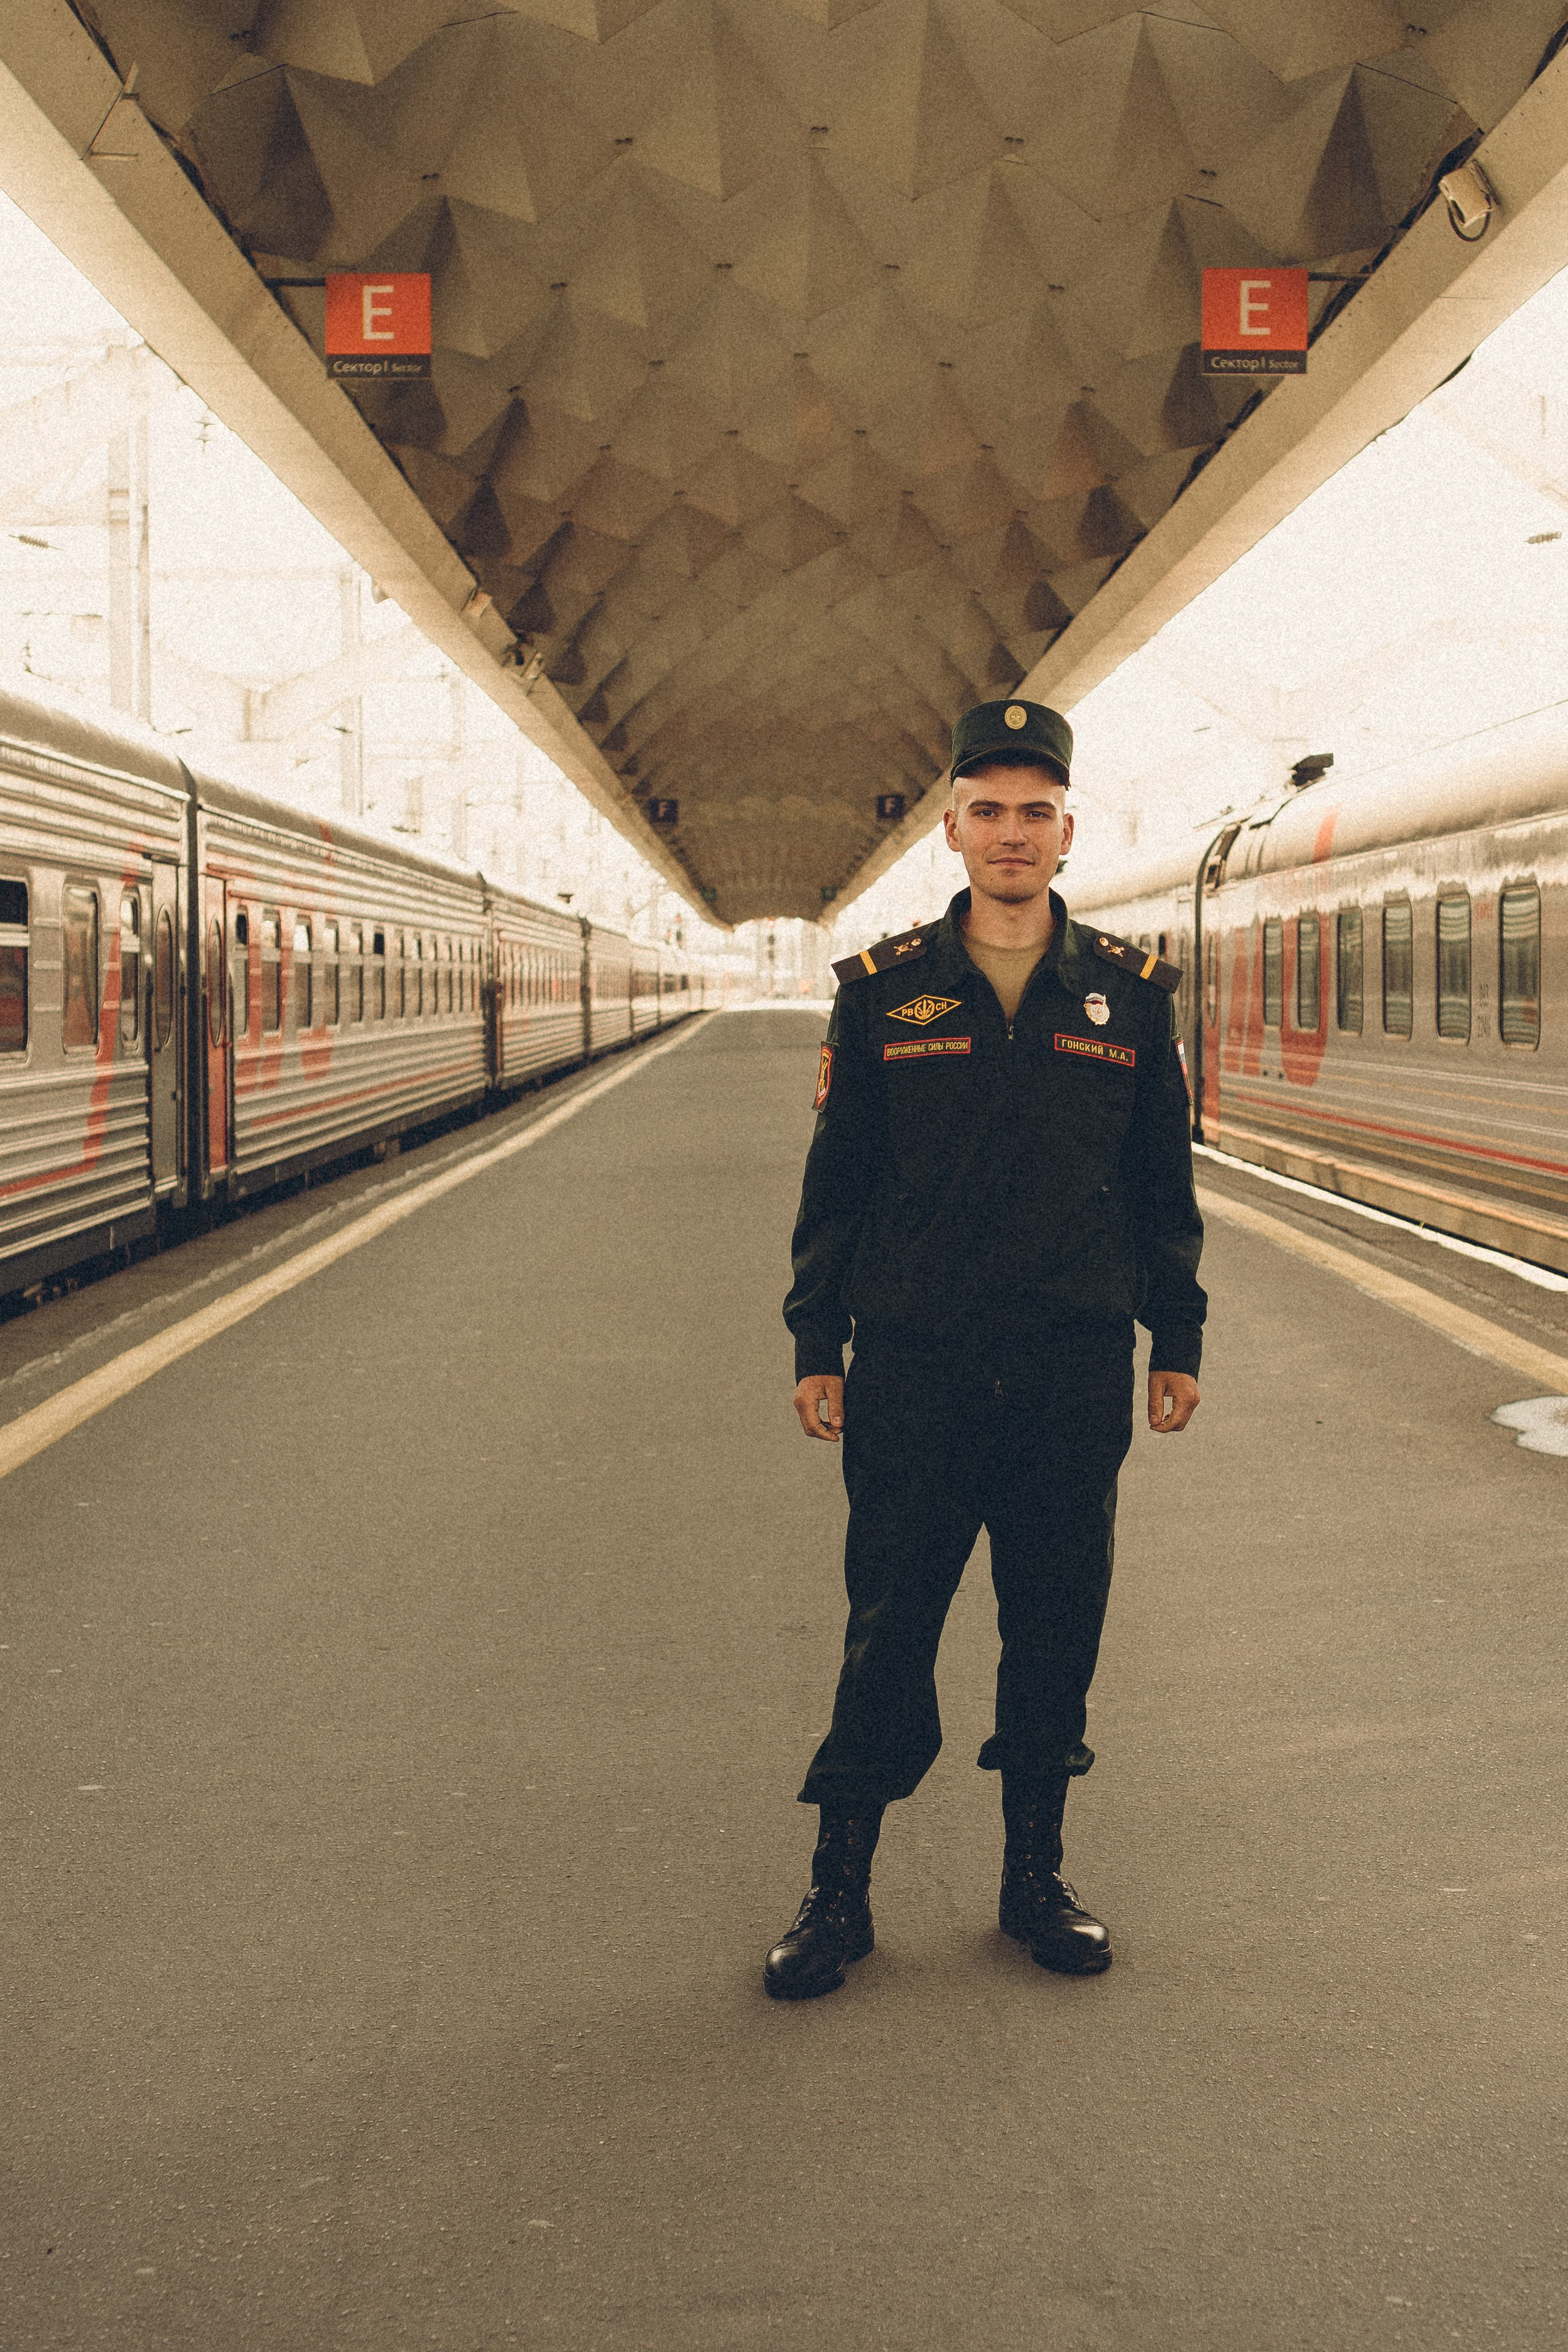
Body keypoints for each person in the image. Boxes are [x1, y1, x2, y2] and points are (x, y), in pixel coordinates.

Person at [766, 696, 1205, 2001]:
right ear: (951, 832)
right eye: (988, 810)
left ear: (1067, 833)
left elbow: (1160, 1186)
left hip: (1071, 1368)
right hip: (916, 1367)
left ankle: (1033, 1882)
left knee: (1055, 1627)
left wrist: (1175, 1335)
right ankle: (837, 1893)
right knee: (888, 1628)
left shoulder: (1128, 998)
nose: (1012, 832)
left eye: (1035, 812)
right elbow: (837, 1183)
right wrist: (817, 1338)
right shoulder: (883, 992)